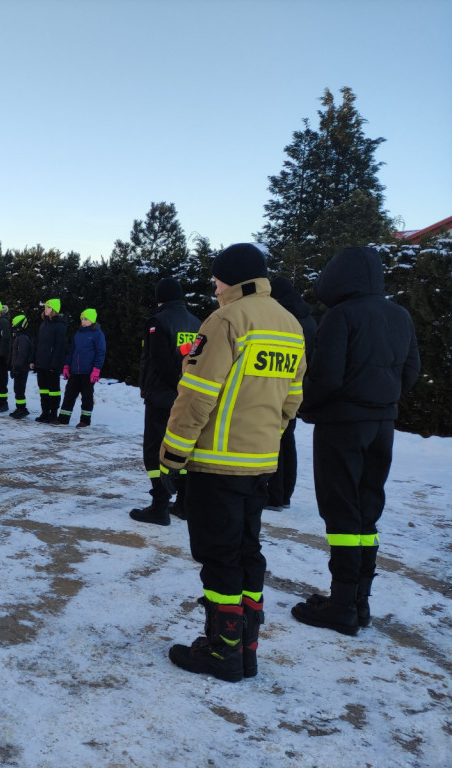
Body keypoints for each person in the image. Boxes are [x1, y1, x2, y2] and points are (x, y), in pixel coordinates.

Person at [160, 243, 305, 682]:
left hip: (216, 463)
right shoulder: (289, 323)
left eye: (216, 280)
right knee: (247, 552)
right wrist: (267, 438)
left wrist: (173, 453)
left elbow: (197, 394)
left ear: (230, 278)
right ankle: (246, 649)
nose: (215, 287)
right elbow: (292, 399)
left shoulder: (226, 320)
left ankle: (223, 651)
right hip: (259, 462)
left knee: (219, 555)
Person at [291, 246, 419, 636]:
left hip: (342, 425)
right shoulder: (400, 315)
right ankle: (360, 600)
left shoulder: (341, 315)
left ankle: (342, 604)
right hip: (383, 424)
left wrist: (304, 406)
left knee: (341, 511)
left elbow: (326, 377)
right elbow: (411, 373)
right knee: (367, 510)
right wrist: (382, 399)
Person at [131, 278, 202, 525]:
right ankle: (183, 503)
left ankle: (159, 506)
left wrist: (174, 386)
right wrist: (185, 389)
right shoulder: (197, 323)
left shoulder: (157, 322)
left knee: (155, 451)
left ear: (160, 297)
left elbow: (160, 362)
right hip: (186, 398)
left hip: (161, 397)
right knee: (180, 449)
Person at [264, 276, 318, 510]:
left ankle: (274, 495)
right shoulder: (306, 318)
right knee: (288, 440)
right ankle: (285, 494)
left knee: (275, 440)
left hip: (281, 387)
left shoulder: (284, 319)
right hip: (299, 387)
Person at [57, 308, 106, 427]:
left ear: (92, 320)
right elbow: (72, 351)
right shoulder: (78, 333)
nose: (83, 321)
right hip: (75, 371)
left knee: (87, 397)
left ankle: (85, 421)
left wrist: (96, 369)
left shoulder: (98, 334)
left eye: (86, 319)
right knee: (69, 394)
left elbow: (101, 352)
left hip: (88, 372)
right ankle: (63, 419)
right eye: (82, 319)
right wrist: (67, 365)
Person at [31, 299, 68, 423]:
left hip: (52, 364)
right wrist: (33, 360)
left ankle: (53, 413)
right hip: (41, 363)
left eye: (48, 307)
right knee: (43, 389)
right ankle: (45, 412)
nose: (46, 309)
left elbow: (60, 347)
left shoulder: (60, 326)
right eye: (45, 307)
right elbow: (37, 343)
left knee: (53, 390)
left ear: (54, 310)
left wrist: (55, 364)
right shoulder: (43, 324)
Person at [9, 315, 33, 419]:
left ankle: (22, 409)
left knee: (19, 389)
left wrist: (17, 367)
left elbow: (22, 354)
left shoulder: (23, 338)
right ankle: (19, 408)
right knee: (17, 389)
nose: (12, 325)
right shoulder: (19, 337)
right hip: (18, 368)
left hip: (21, 369)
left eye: (14, 324)